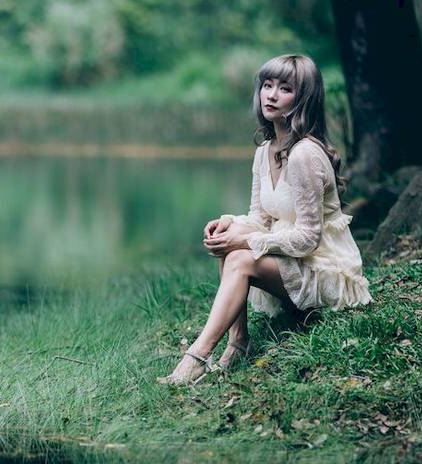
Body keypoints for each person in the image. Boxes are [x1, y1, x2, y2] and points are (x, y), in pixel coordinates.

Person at [159, 54, 372, 386]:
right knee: (231, 236)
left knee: (240, 255)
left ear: (304, 98)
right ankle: (238, 342)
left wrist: (245, 240)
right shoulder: (265, 151)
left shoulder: (304, 155)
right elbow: (259, 217)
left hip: (326, 272)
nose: (271, 95)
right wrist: (228, 225)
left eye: (285, 89)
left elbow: (308, 239)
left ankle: (197, 358)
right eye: (267, 85)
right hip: (294, 263)